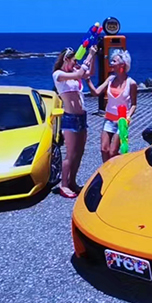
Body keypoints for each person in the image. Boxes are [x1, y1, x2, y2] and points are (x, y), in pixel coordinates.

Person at [52, 45, 96, 198]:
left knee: (80, 152)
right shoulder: (59, 74)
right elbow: (80, 73)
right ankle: (64, 185)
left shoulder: (73, 73)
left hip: (81, 117)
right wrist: (89, 55)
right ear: (66, 59)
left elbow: (89, 73)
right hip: (70, 118)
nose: (76, 63)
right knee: (70, 154)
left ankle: (72, 181)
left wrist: (93, 56)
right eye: (74, 60)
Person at [87, 49, 138, 162]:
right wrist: (88, 80)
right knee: (104, 149)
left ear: (122, 64)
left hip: (121, 121)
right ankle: (107, 169)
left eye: (114, 61)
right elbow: (96, 92)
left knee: (113, 151)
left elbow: (134, 104)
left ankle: (120, 165)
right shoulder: (110, 79)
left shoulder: (131, 83)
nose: (111, 63)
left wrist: (128, 117)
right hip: (109, 119)